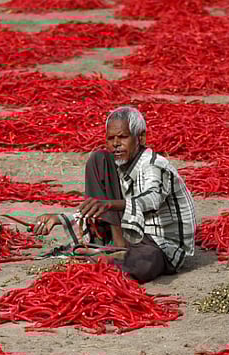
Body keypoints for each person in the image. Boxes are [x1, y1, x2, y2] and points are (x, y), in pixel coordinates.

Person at [31, 106, 197, 284]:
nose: (116, 144)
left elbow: (151, 198)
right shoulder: (118, 164)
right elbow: (102, 205)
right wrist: (60, 219)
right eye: (111, 139)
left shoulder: (153, 165)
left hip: (161, 243)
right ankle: (117, 248)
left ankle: (109, 254)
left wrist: (111, 204)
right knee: (98, 159)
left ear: (140, 137)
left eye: (123, 137)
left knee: (145, 262)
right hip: (130, 233)